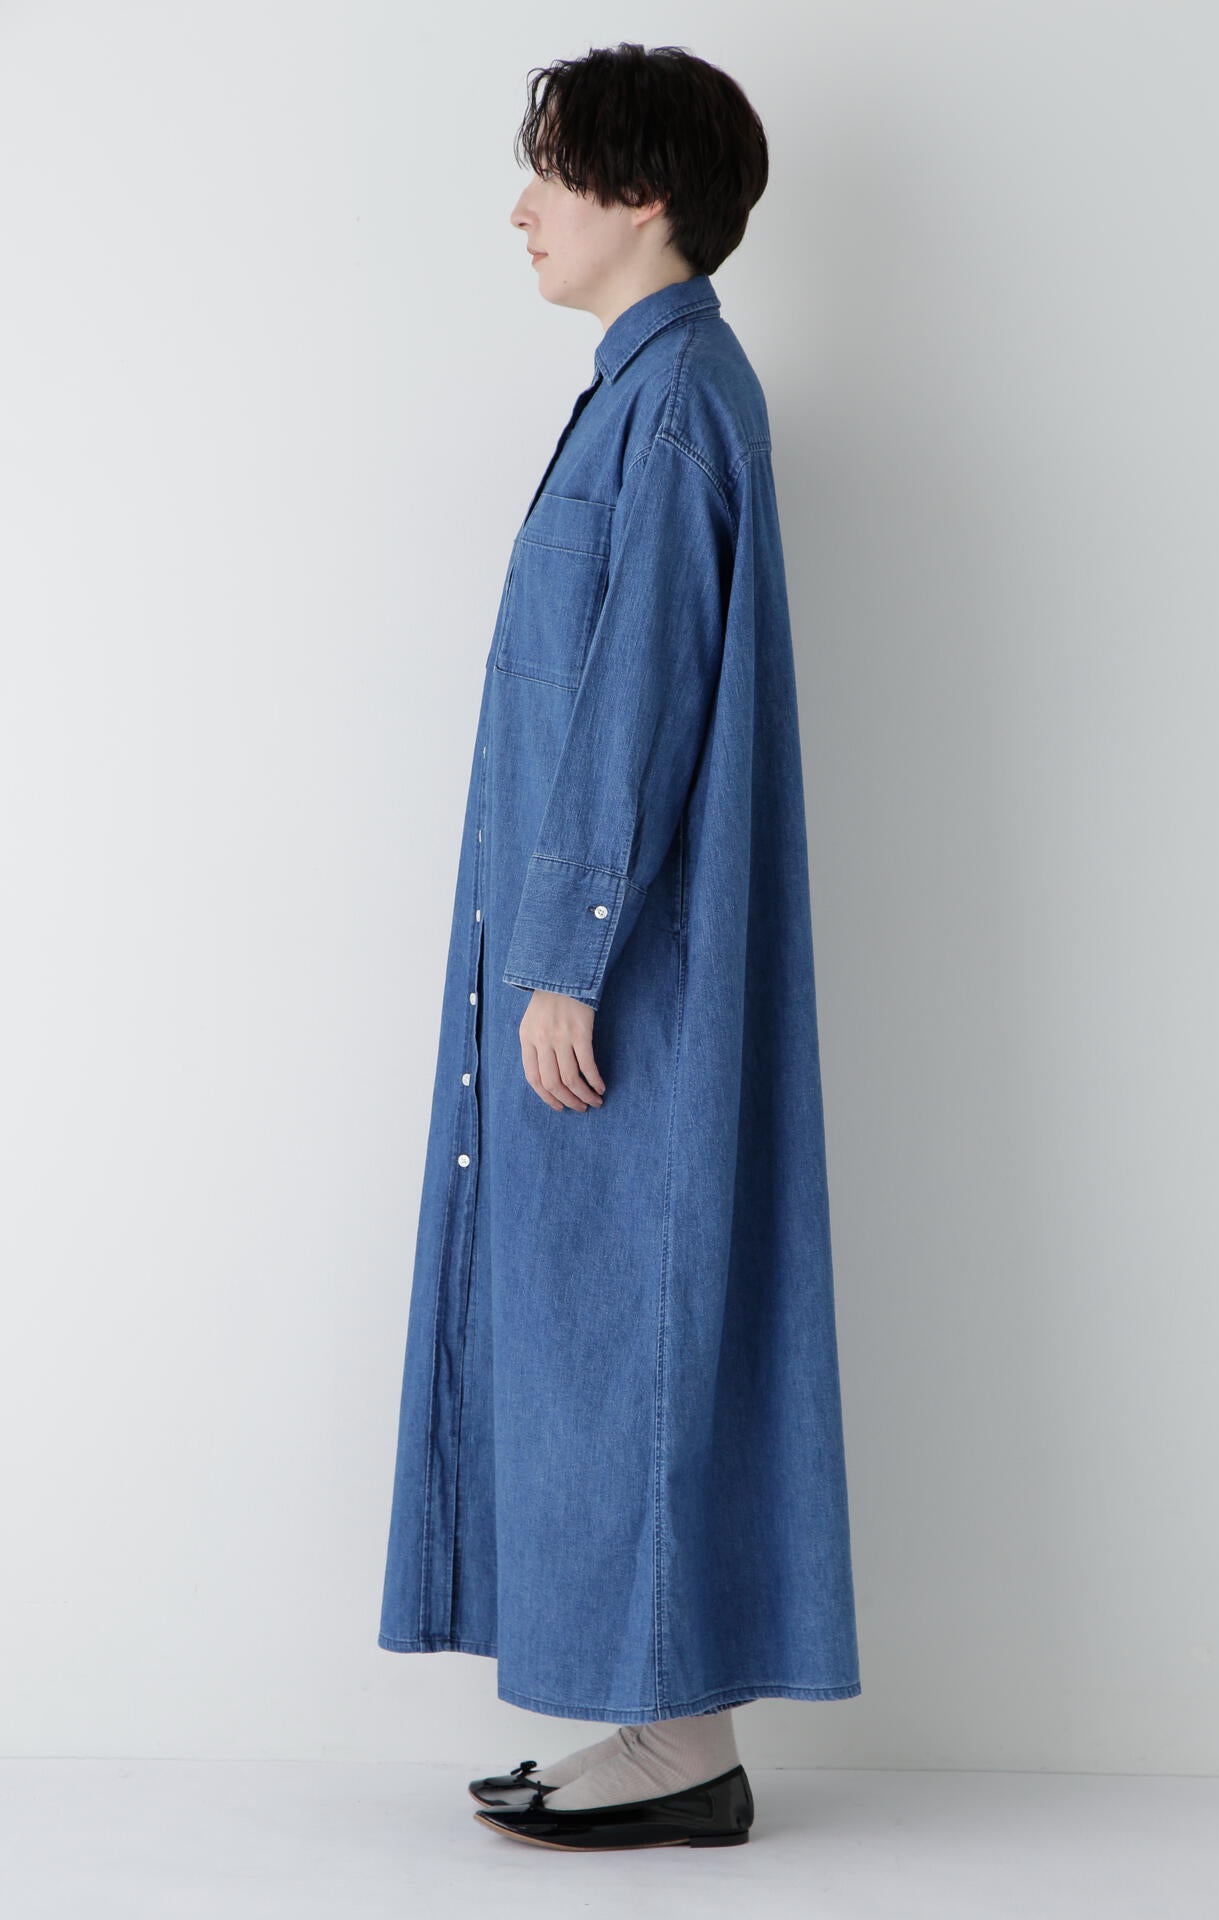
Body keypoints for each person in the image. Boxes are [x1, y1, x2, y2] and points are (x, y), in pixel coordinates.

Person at [378, 41, 861, 1852]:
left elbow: (637, 694)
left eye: (554, 174)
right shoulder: (653, 392)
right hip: (609, 959)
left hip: (623, 975)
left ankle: (684, 1750)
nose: (523, 208)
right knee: (612, 1319)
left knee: (636, 1323)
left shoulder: (672, 404)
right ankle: (665, 1731)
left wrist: (569, 955)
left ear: (643, 196)